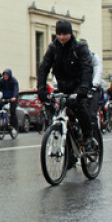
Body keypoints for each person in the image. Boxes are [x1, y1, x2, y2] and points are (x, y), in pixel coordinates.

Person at [37, 19, 96, 150]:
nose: (62, 37)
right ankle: (70, 148)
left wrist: (84, 87)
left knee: (79, 106)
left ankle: (88, 135)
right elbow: (44, 68)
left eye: (65, 34)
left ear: (70, 33)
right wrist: (41, 89)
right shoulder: (53, 48)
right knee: (60, 110)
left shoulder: (79, 47)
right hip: (62, 85)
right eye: (59, 34)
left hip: (78, 85)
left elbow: (87, 68)